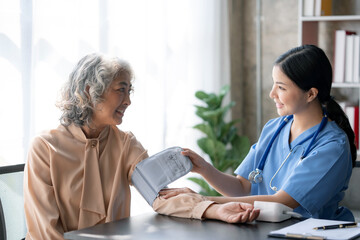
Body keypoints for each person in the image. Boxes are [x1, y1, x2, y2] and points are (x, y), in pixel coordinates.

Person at [24, 53, 259, 239]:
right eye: (121, 90)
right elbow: (45, 229)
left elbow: (160, 195)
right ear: (89, 92)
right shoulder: (45, 147)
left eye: (129, 91)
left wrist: (214, 210)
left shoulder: (125, 143)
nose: (128, 101)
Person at [155, 45, 356, 222]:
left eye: (281, 87)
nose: (272, 94)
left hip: (309, 234)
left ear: (311, 94)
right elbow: (243, 188)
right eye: (274, 84)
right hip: (263, 228)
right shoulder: (274, 128)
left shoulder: (332, 146)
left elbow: (283, 202)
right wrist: (204, 169)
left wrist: (201, 200)